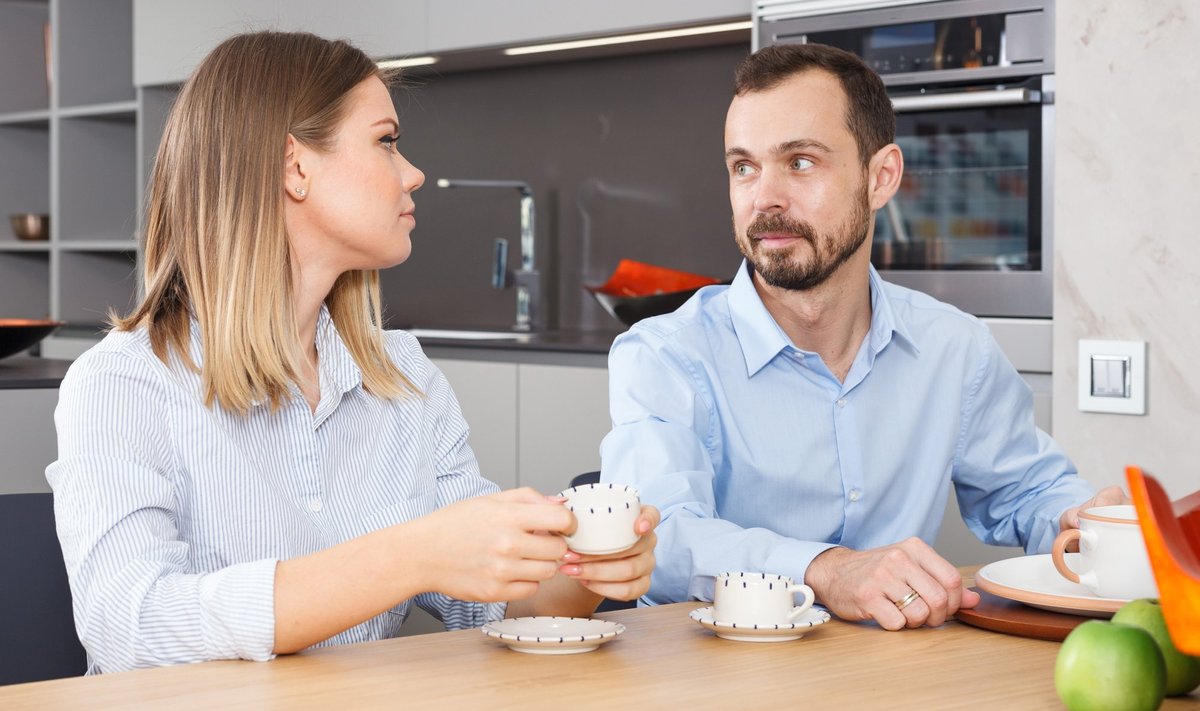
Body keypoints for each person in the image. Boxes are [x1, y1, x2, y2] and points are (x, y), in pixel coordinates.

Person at [46, 31, 657, 674]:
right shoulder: (123, 380)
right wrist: (410, 555)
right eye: (386, 141)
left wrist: (590, 568)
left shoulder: (402, 379)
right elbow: (128, 626)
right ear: (295, 167)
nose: (413, 171)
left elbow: (494, 611)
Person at [599, 43, 1122, 631]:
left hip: (893, 673)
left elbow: (1029, 493)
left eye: (799, 161)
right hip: (711, 676)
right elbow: (659, 536)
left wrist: (1085, 522)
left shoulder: (955, 349)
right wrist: (826, 569)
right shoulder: (665, 354)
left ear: (881, 177)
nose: (763, 196)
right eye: (744, 166)